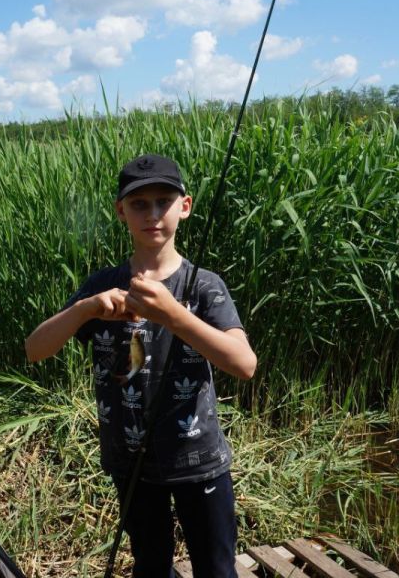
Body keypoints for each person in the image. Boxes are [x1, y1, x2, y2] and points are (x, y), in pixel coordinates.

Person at [24, 154, 257, 578]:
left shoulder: (202, 286)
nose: (152, 214)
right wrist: (84, 310)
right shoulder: (102, 285)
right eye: (138, 204)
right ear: (121, 212)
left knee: (217, 569)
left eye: (163, 202)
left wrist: (174, 315)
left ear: (184, 206)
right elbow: (35, 349)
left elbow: (244, 364)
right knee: (151, 565)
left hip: (198, 459)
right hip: (130, 463)